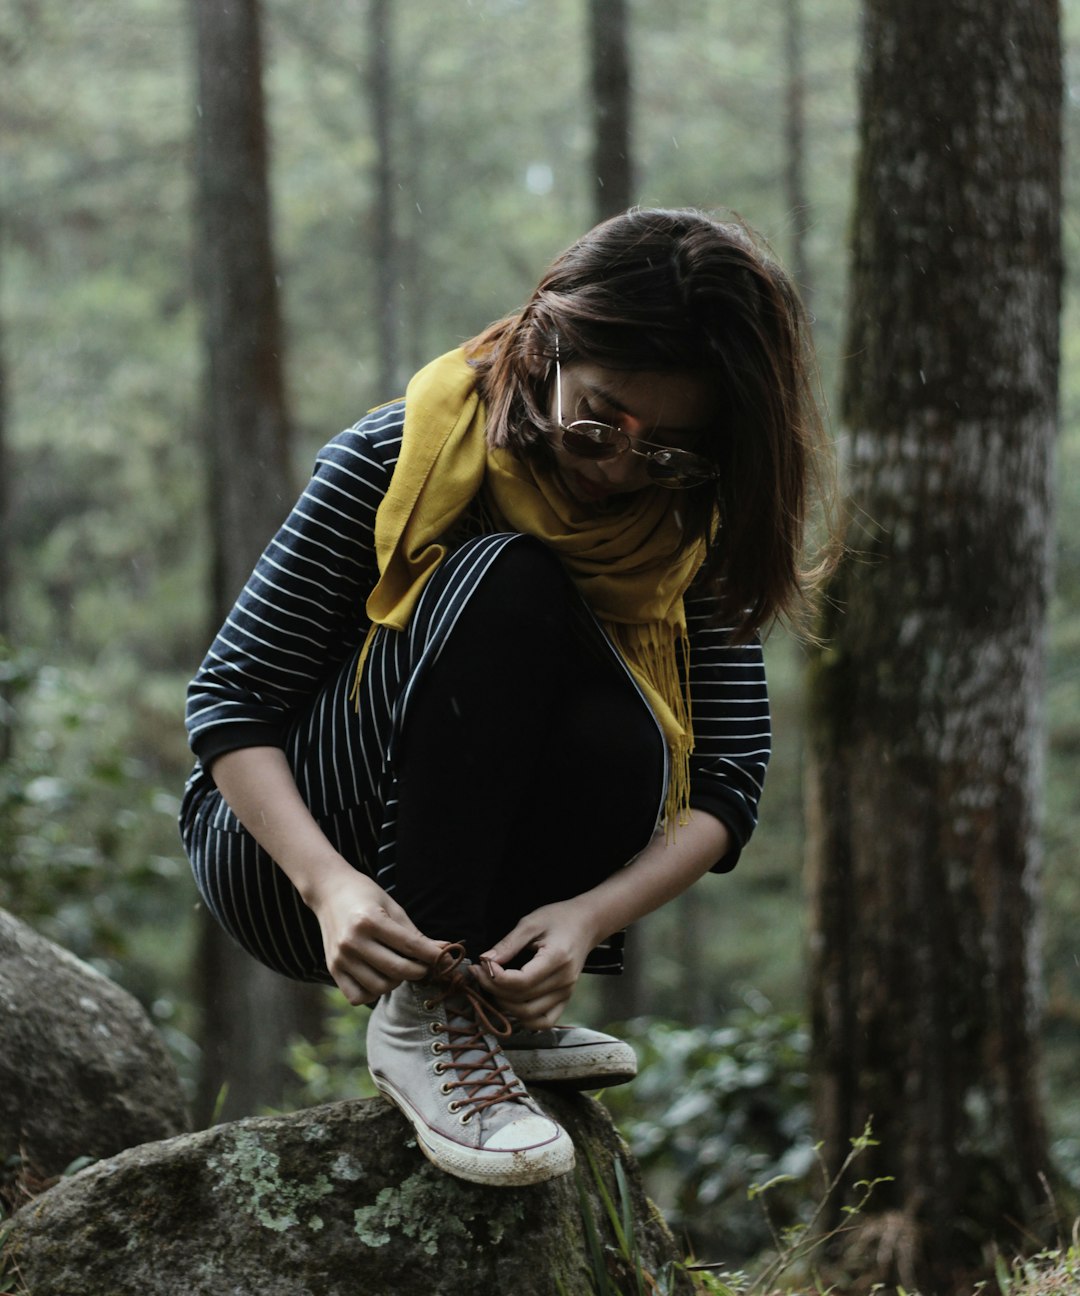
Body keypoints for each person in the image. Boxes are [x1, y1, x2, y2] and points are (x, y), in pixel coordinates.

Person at [180, 207, 831, 1189]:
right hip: (289, 857)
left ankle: (483, 1003)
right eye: (599, 420)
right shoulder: (402, 451)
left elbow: (729, 781)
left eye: (663, 452)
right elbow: (231, 701)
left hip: (484, 892)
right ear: (546, 343)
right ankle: (427, 1016)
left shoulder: (690, 524)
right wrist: (329, 885)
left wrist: (586, 919)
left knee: (626, 717)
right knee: (512, 578)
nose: (616, 466)